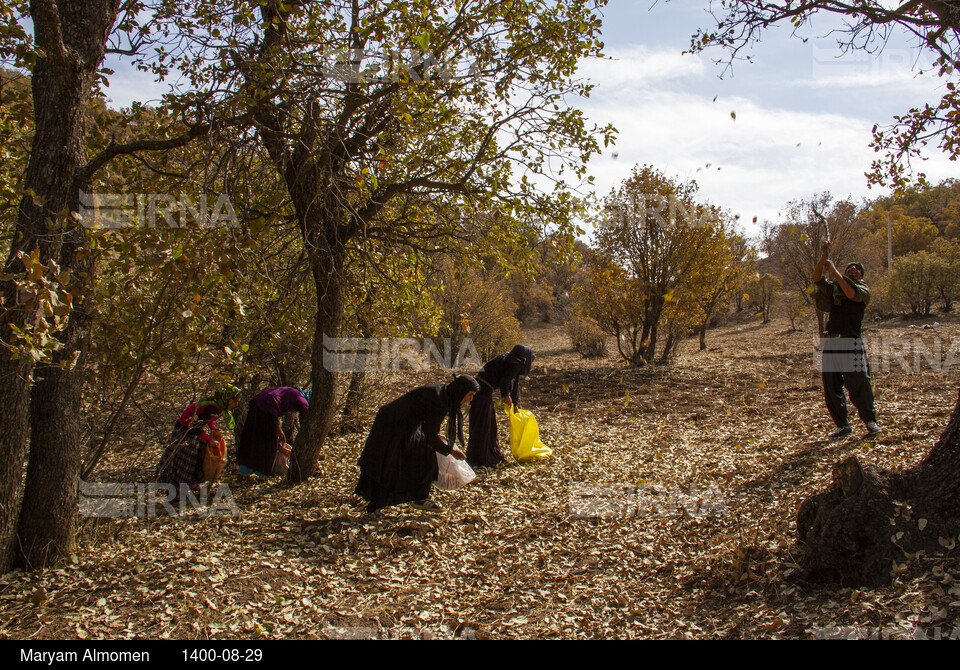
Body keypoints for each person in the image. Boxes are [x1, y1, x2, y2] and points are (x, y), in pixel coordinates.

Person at [355, 375, 480, 513]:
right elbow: (431, 436)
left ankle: (420, 497)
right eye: (469, 394)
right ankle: (375, 506)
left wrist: (438, 439)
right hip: (392, 424)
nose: (470, 399)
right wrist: (451, 451)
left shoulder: (445, 395)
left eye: (473, 395)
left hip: (409, 424)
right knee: (391, 464)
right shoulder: (439, 399)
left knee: (425, 456)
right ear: (460, 390)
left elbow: (429, 427)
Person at [813, 243, 881, 438]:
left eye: (857, 268)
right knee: (831, 386)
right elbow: (817, 278)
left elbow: (851, 294)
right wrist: (823, 256)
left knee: (859, 382)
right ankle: (842, 426)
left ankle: (870, 421)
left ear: (860, 276)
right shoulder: (834, 289)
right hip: (832, 342)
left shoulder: (863, 290)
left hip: (851, 341)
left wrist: (834, 270)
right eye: (849, 267)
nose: (853, 269)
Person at [157, 384, 241, 490]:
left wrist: (213, 429)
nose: (236, 404)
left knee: (201, 454)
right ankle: (179, 488)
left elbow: (210, 419)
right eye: (235, 401)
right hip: (184, 433)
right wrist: (209, 439)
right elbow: (195, 427)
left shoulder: (217, 406)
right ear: (227, 399)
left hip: (192, 432)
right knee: (188, 460)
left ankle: (192, 483)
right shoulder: (212, 407)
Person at [466, 344, 534, 467]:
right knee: (483, 425)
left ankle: (487, 455)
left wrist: (515, 403)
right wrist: (505, 396)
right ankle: (481, 459)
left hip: (481, 392)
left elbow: (514, 384)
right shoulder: (516, 363)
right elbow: (505, 381)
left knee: (489, 425)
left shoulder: (509, 360)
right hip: (482, 393)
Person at [237, 387, 310, 477]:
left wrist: (279, 431)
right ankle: (262, 472)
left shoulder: (291, 391)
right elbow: (306, 422)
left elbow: (277, 408)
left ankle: (244, 469)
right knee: (268, 442)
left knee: (252, 436)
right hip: (268, 405)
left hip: (257, 402)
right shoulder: (303, 400)